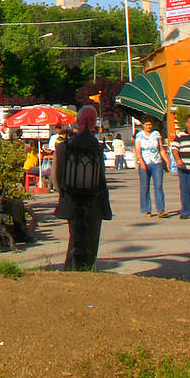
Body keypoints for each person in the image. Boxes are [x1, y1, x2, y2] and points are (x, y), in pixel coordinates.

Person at [52, 105, 112, 269]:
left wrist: (64, 194)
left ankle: (72, 269)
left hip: (73, 199)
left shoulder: (65, 147)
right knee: (91, 239)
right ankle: (85, 269)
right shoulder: (96, 147)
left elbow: (56, 177)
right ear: (93, 124)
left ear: (77, 122)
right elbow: (101, 177)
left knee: (76, 238)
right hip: (94, 200)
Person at [134, 116, 171, 215]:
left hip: (156, 163)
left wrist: (167, 161)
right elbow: (138, 151)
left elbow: (161, 149)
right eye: (146, 125)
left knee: (158, 186)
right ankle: (147, 209)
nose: (149, 126)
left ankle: (161, 209)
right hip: (145, 163)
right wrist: (141, 162)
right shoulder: (139, 135)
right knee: (145, 187)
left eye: (150, 124)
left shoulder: (156, 134)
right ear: (143, 125)